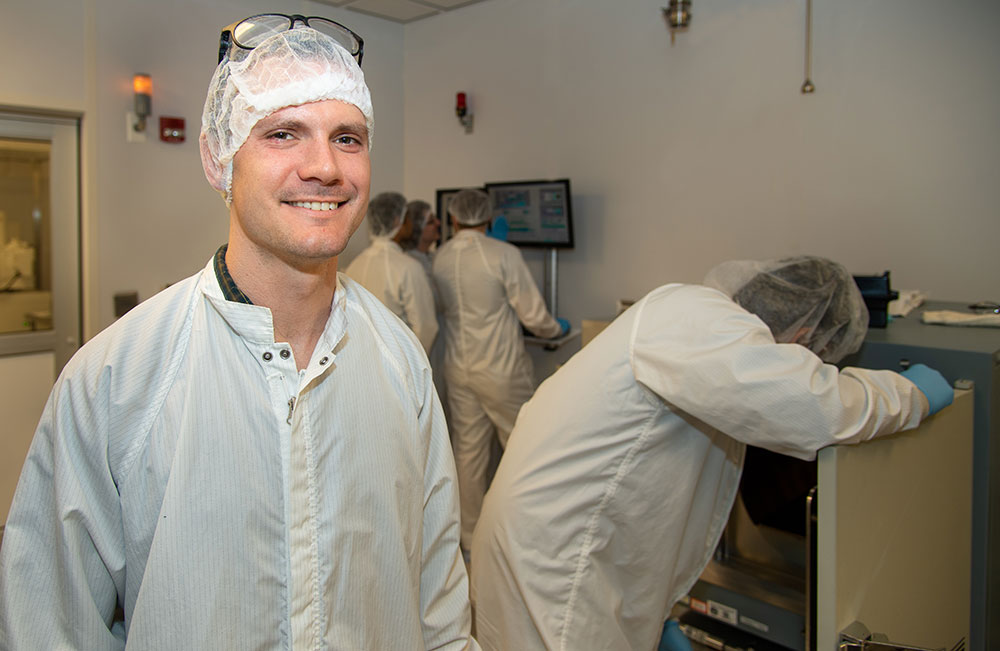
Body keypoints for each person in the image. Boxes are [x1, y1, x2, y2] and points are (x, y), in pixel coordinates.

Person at [0, 16, 476, 650]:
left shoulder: (400, 364)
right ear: (218, 158)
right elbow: (49, 627)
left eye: (348, 137)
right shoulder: (116, 381)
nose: (325, 166)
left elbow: (439, 605)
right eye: (283, 133)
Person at [469, 256, 953, 651]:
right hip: (557, 569)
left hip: (554, 546)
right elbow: (815, 406)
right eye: (820, 355)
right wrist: (911, 396)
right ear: (805, 336)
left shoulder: (701, 331)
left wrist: (654, 611)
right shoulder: (700, 321)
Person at [432, 188, 569, 550]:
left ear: (455, 218)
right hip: (500, 368)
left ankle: (470, 542)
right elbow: (534, 315)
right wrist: (557, 330)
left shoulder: (441, 256)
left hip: (459, 367)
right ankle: (531, 534)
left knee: (468, 453)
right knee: (524, 446)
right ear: (488, 216)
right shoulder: (503, 253)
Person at [345, 191, 438, 353]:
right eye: (407, 218)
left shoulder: (354, 265)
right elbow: (425, 328)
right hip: (399, 358)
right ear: (397, 221)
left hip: (364, 356)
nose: (410, 224)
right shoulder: (408, 267)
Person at [399, 199, 442, 280]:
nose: (438, 223)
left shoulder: (432, 257)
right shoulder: (409, 262)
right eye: (431, 221)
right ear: (417, 228)